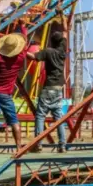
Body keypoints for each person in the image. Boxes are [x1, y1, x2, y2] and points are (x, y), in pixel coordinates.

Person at [27, 13, 69, 153]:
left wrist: (20, 50)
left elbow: (33, 56)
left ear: (51, 41)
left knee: (40, 116)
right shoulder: (62, 50)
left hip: (48, 87)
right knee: (58, 118)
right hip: (58, 88)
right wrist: (62, 15)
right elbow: (65, 31)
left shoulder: (48, 52)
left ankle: (38, 143)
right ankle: (62, 145)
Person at [0, 28, 29, 152]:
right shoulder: (20, 58)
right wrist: (23, 28)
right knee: (14, 120)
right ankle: (18, 146)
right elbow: (25, 42)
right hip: (6, 94)